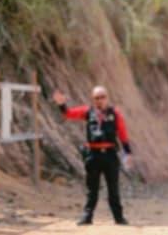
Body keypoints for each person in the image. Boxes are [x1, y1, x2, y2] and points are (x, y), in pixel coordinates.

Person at [52, 86, 134, 226]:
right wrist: (61, 104)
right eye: (97, 98)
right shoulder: (88, 111)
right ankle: (87, 217)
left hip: (110, 155)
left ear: (107, 98)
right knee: (92, 189)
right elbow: (69, 114)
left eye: (102, 97)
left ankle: (119, 217)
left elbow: (123, 134)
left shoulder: (115, 114)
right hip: (93, 155)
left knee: (113, 188)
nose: (100, 100)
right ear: (93, 99)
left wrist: (128, 153)